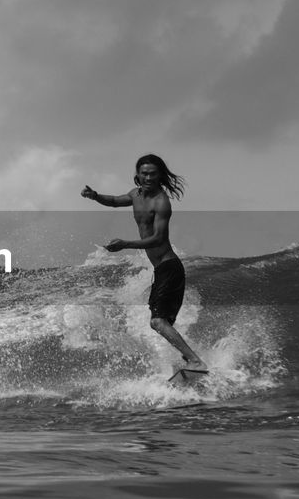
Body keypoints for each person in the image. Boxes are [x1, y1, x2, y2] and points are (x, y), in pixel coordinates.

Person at [82, 154, 207, 380]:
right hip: (160, 270)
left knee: (157, 321)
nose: (148, 177)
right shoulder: (135, 194)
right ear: (138, 175)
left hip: (170, 267)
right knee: (163, 323)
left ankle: (195, 360)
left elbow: (159, 238)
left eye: (153, 173)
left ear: (160, 175)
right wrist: (95, 196)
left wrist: (126, 244)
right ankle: (188, 365)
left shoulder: (161, 202)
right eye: (144, 173)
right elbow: (113, 201)